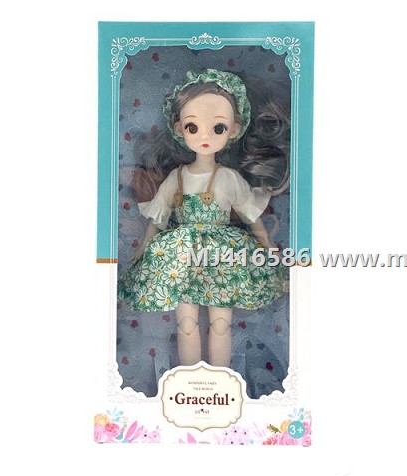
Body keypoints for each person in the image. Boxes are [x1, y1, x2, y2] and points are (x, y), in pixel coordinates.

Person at [118, 68, 289, 368]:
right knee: (186, 323)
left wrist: (267, 248)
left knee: (221, 323)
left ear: (234, 129)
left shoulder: (228, 177)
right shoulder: (177, 177)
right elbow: (158, 219)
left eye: (218, 128)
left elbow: (251, 216)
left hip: (223, 258)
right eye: (193, 127)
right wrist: (143, 249)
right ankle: (188, 376)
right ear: (179, 128)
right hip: (183, 257)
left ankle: (221, 376)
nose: (205, 136)